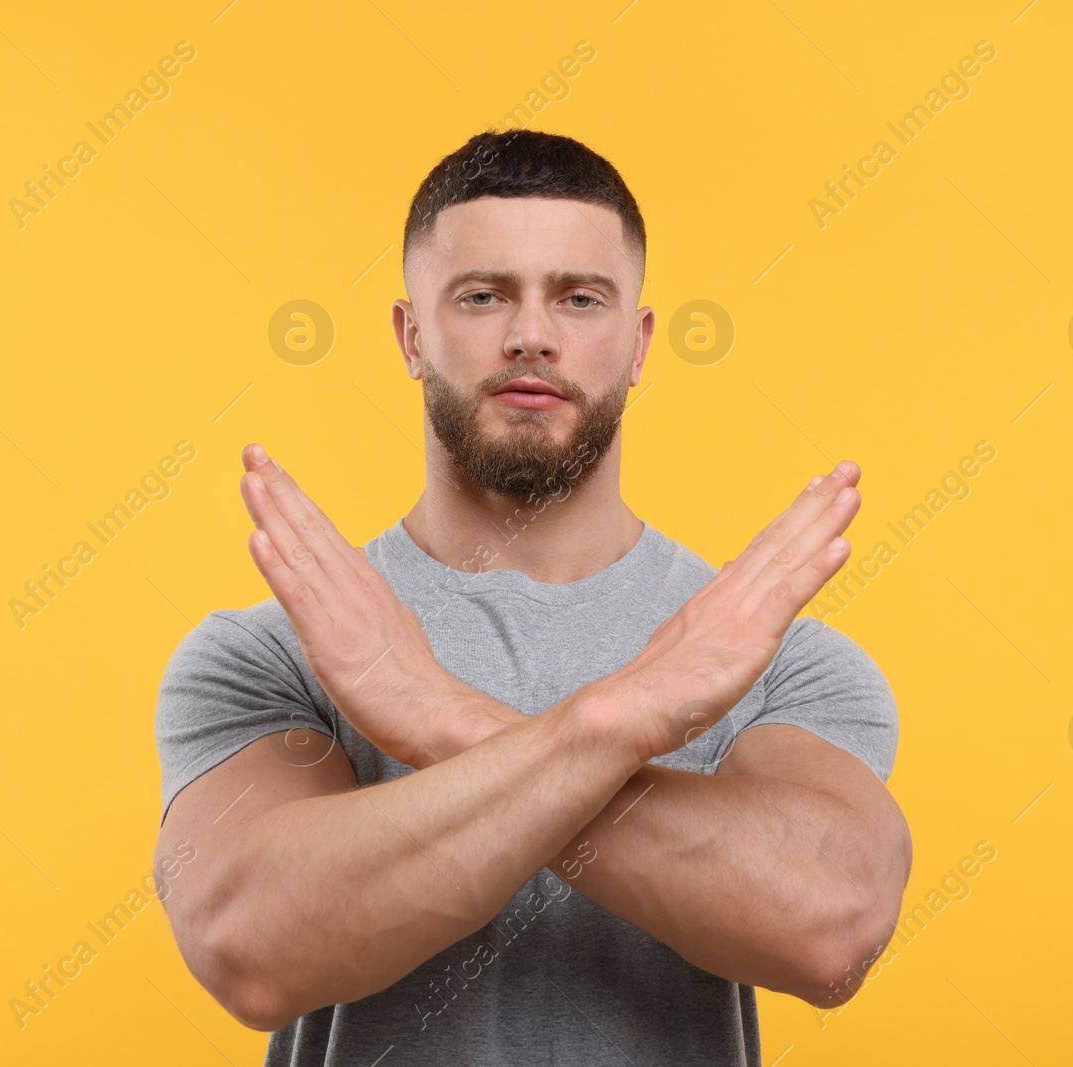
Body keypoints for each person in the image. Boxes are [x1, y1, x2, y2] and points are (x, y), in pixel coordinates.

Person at [153, 129, 911, 1066]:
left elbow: (830, 927)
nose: (531, 334)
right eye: (483, 295)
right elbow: (252, 950)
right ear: (411, 335)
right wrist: (621, 722)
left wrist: (435, 717)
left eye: (579, 298)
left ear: (637, 345)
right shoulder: (271, 652)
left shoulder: (770, 654)